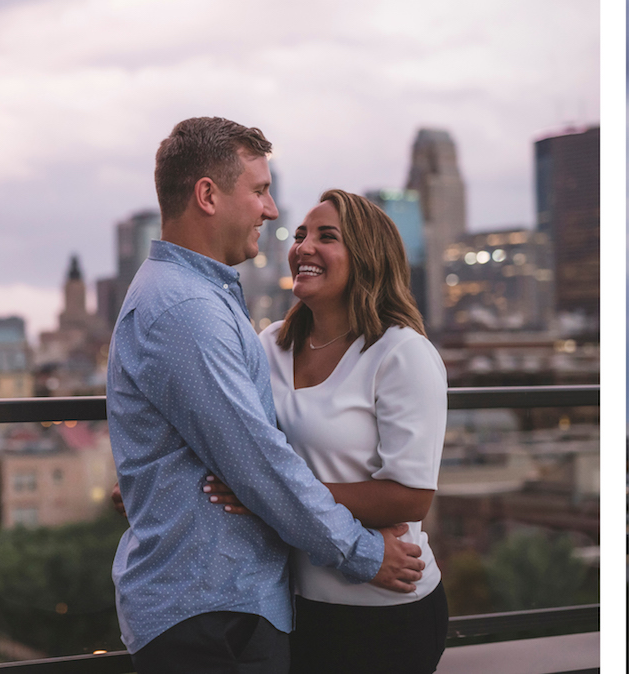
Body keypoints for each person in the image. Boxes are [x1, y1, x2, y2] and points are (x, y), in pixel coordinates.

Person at [108, 117, 425, 674]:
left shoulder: (202, 299)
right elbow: (259, 466)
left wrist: (151, 482)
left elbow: (239, 456)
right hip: (209, 608)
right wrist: (366, 553)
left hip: (224, 602)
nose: (272, 210)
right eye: (258, 190)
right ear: (208, 195)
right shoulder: (189, 311)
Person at [203, 189, 450, 672]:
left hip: (386, 609)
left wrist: (267, 493)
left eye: (326, 237)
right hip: (292, 606)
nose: (303, 248)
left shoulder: (402, 354)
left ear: (367, 257)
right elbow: (221, 426)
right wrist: (144, 479)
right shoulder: (269, 344)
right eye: (300, 236)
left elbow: (410, 498)